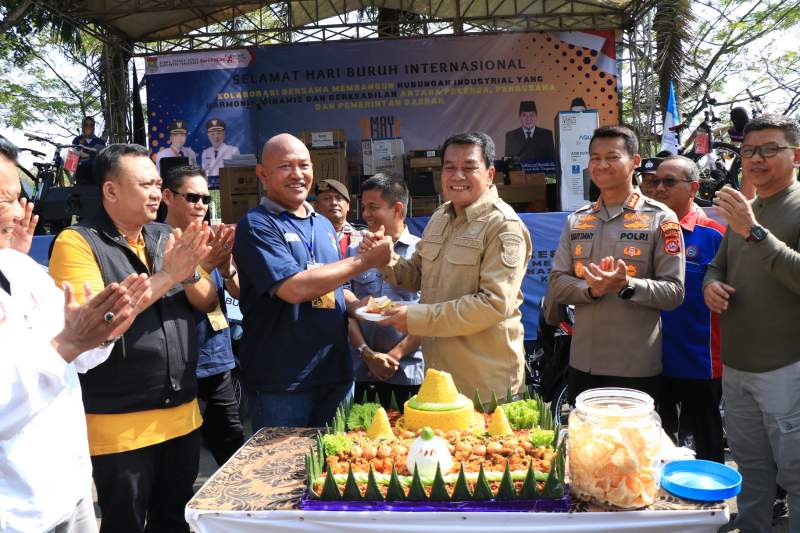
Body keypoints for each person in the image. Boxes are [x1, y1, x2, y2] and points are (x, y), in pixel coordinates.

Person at [49, 143, 216, 533]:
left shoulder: (164, 235)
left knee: (174, 522)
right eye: (145, 185)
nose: (157, 194)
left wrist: (189, 272)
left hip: (182, 416)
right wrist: (169, 275)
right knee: (124, 524)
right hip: (119, 424)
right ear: (110, 191)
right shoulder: (77, 242)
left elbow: (208, 301)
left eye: (158, 184)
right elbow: (97, 324)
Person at [0, 137, 150, 533]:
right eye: (3, 200)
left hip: (68, 490)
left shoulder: (21, 268)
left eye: (17, 198)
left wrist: (98, 335)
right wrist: (69, 344)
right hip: (15, 510)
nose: (17, 212)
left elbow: (75, 357)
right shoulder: (78, 241)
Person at [232, 133, 391, 430]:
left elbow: (334, 286)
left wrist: (360, 306)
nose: (297, 174)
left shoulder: (321, 223)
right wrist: (364, 262)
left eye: (303, 165)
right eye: (285, 167)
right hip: (283, 381)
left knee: (331, 468)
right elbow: (294, 288)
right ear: (263, 174)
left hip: (335, 374)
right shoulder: (257, 225)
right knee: (282, 472)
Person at [361, 132, 532, 402]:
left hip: (484, 385)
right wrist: (385, 258)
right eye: (450, 167)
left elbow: (493, 304)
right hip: (439, 379)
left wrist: (415, 317)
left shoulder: (502, 225)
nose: (457, 176)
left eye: (469, 167)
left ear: (489, 174)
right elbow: (416, 274)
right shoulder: (441, 217)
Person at [703, 114, 800, 532]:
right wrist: (711, 286)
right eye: (748, 151)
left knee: (795, 474)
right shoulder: (749, 209)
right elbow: (716, 267)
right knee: (752, 470)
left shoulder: (782, 210)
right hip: (738, 370)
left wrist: (753, 231)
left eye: (769, 149)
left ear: (796, 155)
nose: (756, 159)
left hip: (786, 368)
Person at [547, 125, 685, 403]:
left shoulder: (661, 218)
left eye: (612, 157)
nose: (601, 165)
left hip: (636, 367)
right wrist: (591, 289)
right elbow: (557, 284)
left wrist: (627, 285)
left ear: (635, 161)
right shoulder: (577, 220)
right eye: (595, 158)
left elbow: (674, 293)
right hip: (584, 363)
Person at [641, 155, 726, 463]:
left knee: (706, 442)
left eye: (669, 182)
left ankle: (711, 506)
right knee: (656, 441)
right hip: (650, 359)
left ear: (693, 188)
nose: (659, 188)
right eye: (654, 182)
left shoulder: (713, 235)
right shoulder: (643, 232)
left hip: (699, 359)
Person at [162, 164, 245, 466]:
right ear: (167, 197)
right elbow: (180, 294)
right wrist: (205, 266)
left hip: (217, 357)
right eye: (192, 197)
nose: (200, 205)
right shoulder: (157, 241)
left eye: (206, 198)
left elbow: (236, 293)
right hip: (177, 365)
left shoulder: (214, 238)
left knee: (233, 451)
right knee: (180, 459)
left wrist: (226, 267)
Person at [347, 174, 424, 408]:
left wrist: (395, 355)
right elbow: (344, 302)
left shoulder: (422, 252)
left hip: (407, 370)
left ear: (397, 208)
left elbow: (432, 311)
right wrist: (367, 354)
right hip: (363, 371)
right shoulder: (355, 252)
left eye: (373, 207)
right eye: (364, 207)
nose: (366, 214)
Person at [314, 179, 365, 257]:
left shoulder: (363, 236)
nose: (334, 203)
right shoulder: (310, 235)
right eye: (327, 198)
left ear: (348, 206)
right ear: (316, 206)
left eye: (339, 198)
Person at [72, 116, 106, 186]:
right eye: (86, 125)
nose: (88, 127)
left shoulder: (100, 141)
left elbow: (100, 152)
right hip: (80, 173)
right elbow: (74, 155)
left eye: (91, 125)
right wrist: (81, 141)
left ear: (94, 127)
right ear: (83, 127)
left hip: (95, 173)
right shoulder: (77, 139)